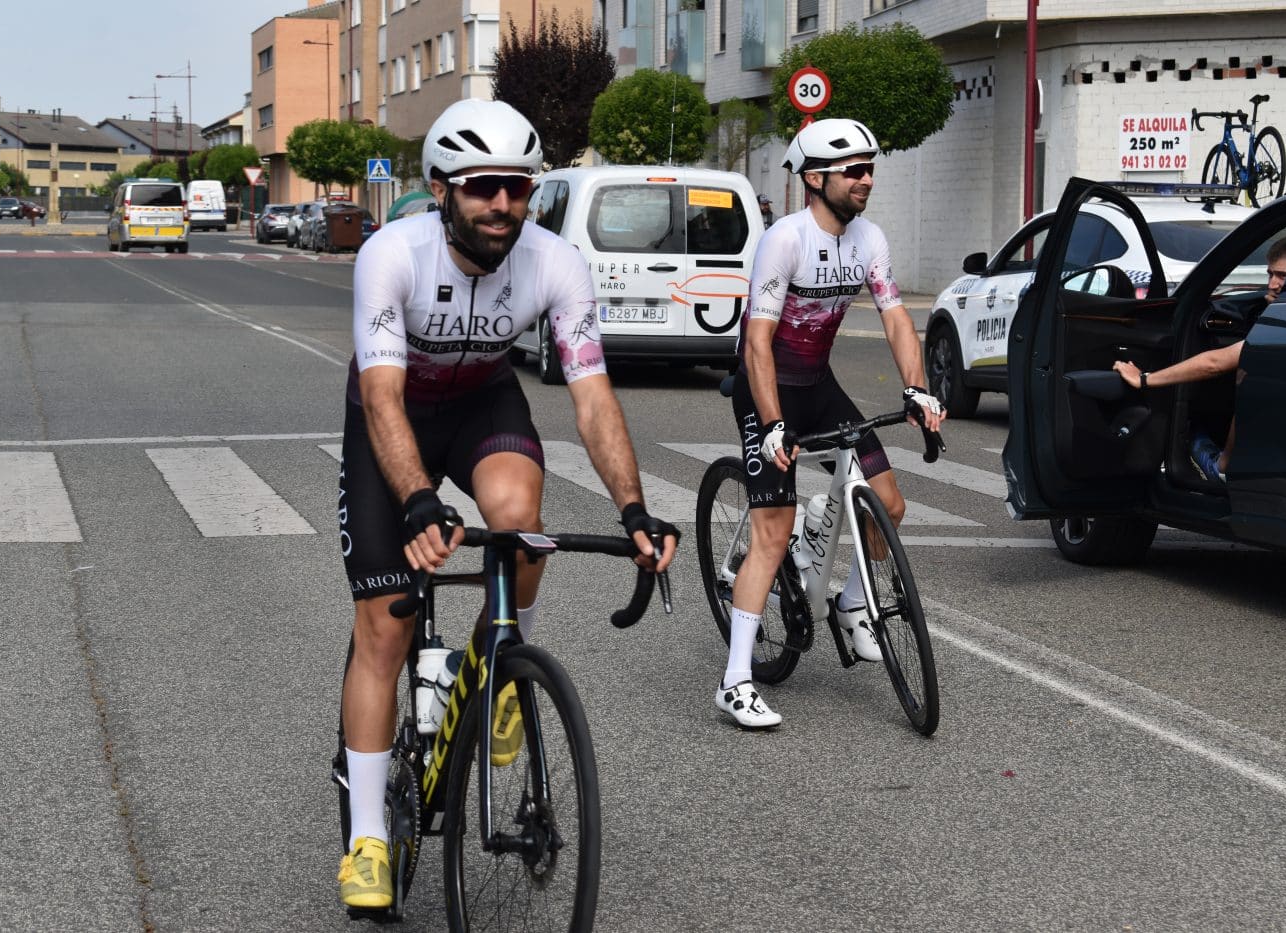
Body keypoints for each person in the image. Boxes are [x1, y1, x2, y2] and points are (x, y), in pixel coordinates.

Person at [334, 98, 679, 910]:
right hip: (392, 413)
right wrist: (418, 500)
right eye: (484, 187)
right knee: (384, 624)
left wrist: (634, 508)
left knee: (520, 522)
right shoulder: (391, 254)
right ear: (441, 188)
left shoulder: (556, 263)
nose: (503, 204)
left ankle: (491, 662)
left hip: (481, 404)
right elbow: (381, 396)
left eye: (518, 188)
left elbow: (592, 398)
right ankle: (368, 838)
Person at [716, 118, 946, 730]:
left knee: (889, 504)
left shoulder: (870, 238)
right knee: (772, 533)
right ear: (816, 179)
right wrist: (772, 424)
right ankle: (735, 680)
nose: (867, 179)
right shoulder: (784, 240)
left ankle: (851, 605)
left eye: (870, 168)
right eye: (855, 170)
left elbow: (896, 318)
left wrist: (918, 388)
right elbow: (758, 343)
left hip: (818, 386)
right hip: (766, 389)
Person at [1113, 232, 1286, 482]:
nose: (1272, 284)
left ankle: (1222, 467)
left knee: (1250, 377)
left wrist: (1145, 379)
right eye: (1270, 274)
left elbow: (1213, 364)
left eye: (1283, 276)